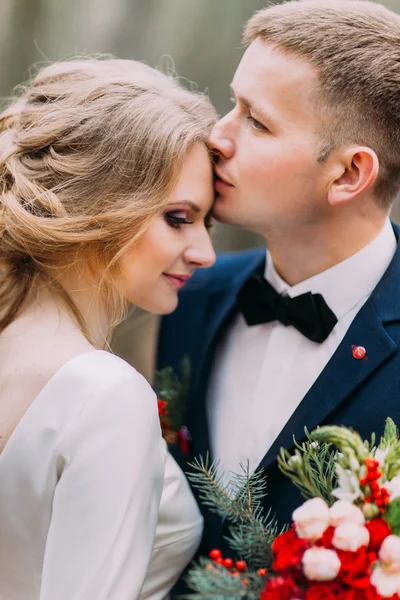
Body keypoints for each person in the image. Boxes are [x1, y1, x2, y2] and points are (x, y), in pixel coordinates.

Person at [157, 0, 400, 556]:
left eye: (257, 121)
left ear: (349, 174)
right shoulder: (191, 293)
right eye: (231, 104)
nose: (217, 136)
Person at [0, 57, 216, 599]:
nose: (206, 253)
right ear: (104, 202)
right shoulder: (104, 395)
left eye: (206, 223)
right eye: (178, 218)